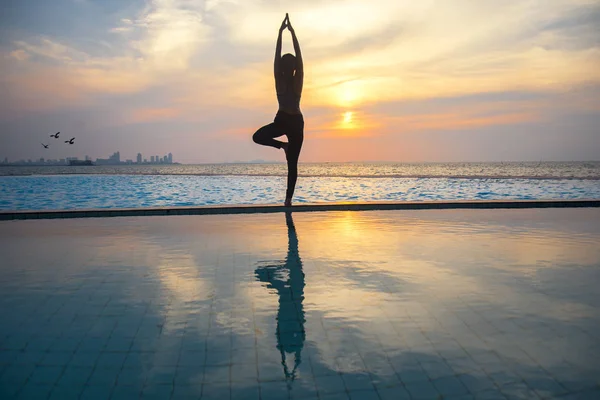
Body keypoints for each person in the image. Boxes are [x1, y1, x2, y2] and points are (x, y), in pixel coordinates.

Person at [252, 13, 304, 207]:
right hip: (286, 121)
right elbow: (296, 59)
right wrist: (287, 33)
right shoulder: (284, 81)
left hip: (292, 123)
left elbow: (296, 60)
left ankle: (288, 200)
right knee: (257, 137)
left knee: (293, 164)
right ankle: (283, 146)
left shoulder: (288, 81)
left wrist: (283, 33)